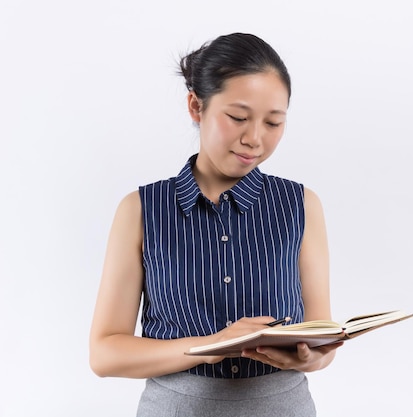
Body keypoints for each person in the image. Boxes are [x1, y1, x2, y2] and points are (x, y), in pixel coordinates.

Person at [89, 32, 342, 417]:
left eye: (274, 123)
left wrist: (311, 358)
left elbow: (321, 340)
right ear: (196, 106)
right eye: (238, 117)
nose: (254, 138)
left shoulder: (301, 205)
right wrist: (210, 345)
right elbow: (105, 354)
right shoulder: (141, 209)